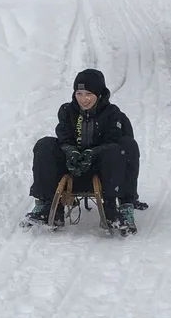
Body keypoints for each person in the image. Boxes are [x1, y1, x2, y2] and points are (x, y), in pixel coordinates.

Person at [22, 69, 146, 234]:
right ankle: (46, 205)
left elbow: (112, 142)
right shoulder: (67, 111)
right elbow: (64, 137)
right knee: (45, 144)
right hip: (71, 165)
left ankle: (121, 209)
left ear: (99, 94)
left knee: (126, 145)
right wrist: (71, 152)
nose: (83, 99)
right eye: (79, 93)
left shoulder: (112, 114)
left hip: (104, 170)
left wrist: (92, 153)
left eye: (89, 93)